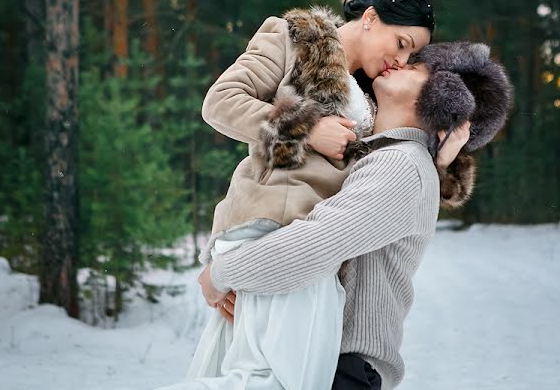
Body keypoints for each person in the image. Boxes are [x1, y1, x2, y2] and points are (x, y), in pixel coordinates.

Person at [157, 0, 471, 390]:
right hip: (269, 228)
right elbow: (220, 102)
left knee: (254, 375)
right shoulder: (293, 40)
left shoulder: (374, 93)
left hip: (304, 256)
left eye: (412, 53)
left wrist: (442, 160)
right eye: (401, 42)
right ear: (371, 18)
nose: (402, 57)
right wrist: (305, 128)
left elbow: (388, 175)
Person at [199, 41, 514, 389]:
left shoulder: (402, 165)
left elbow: (315, 244)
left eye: (416, 68)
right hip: (316, 358)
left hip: (340, 369)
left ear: (442, 99)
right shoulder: (380, 156)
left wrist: (221, 274)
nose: (401, 63)